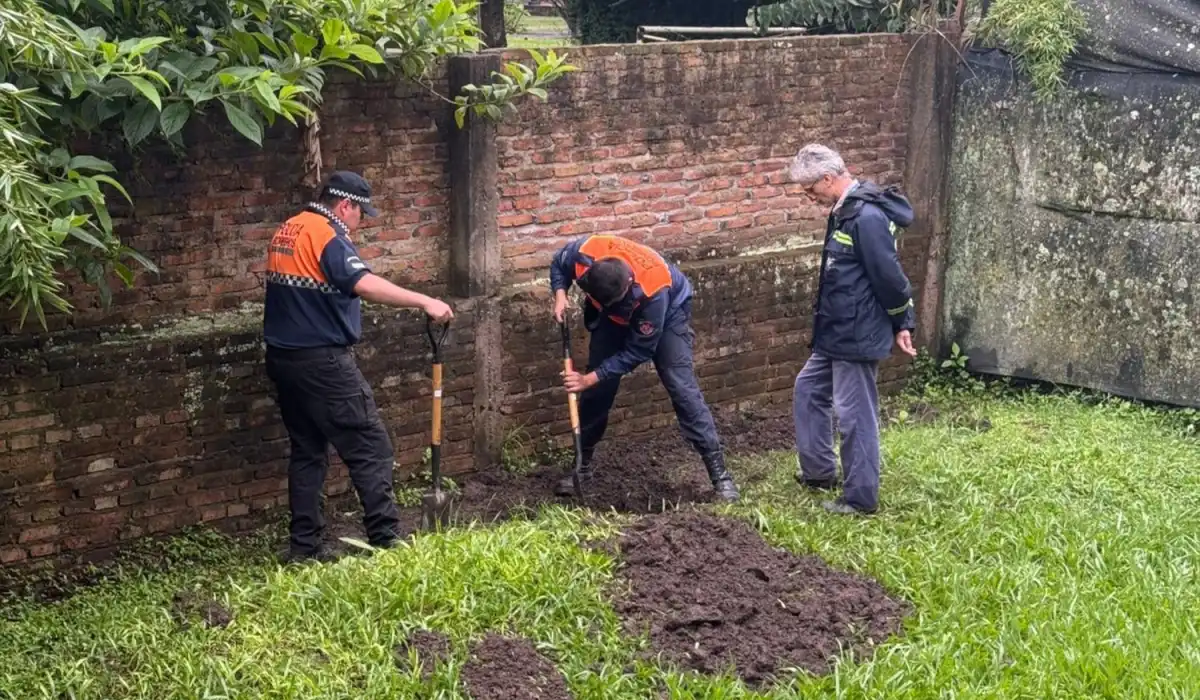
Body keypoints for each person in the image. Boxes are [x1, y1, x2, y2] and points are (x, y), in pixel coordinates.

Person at [261, 170, 454, 561]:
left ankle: (303, 549)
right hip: (322, 362)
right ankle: (386, 540)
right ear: (345, 205)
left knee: (308, 451)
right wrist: (425, 301)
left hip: (283, 359)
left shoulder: (289, 228)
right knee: (370, 446)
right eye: (360, 213)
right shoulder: (327, 235)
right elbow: (363, 283)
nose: (360, 221)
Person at [549, 234, 740, 502]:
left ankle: (720, 476)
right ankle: (582, 466)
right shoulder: (586, 252)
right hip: (613, 320)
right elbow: (559, 264)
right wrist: (560, 294)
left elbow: (638, 351)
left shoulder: (654, 291)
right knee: (598, 391)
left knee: (681, 387)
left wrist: (588, 378)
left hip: (669, 315)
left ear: (628, 284)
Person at [787, 144, 918, 516]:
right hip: (835, 330)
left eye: (810, 189)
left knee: (854, 413)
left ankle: (861, 498)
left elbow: (890, 279)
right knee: (809, 389)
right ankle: (819, 473)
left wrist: (903, 321)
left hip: (857, 333)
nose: (809, 197)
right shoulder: (843, 210)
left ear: (828, 178)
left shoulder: (866, 217)